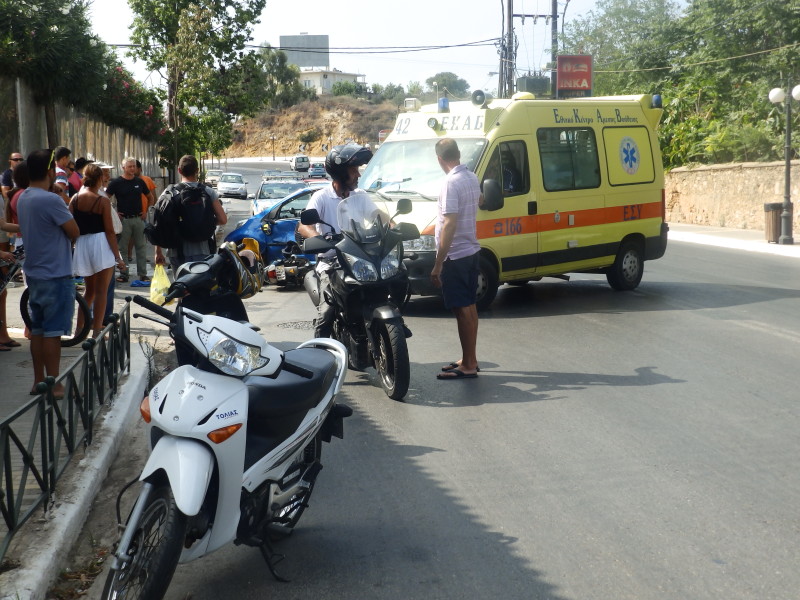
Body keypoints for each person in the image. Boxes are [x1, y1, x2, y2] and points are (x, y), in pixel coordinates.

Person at [297, 143, 385, 338]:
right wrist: (319, 238)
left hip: (360, 258)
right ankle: (319, 351)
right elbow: (303, 226)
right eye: (354, 171)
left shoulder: (360, 196)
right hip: (331, 261)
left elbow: (378, 216)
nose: (358, 175)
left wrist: (394, 227)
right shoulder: (321, 197)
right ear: (340, 172)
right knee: (327, 311)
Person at [16, 149, 80, 398]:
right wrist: (62, 197)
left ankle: (38, 381)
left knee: (38, 330)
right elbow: (74, 231)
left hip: (35, 273)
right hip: (55, 273)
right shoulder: (51, 200)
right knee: (53, 333)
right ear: (49, 171)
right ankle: (55, 384)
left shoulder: (24, 197)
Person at [431, 138, 481, 380]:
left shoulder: (451, 183)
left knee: (462, 310)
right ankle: (469, 358)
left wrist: (438, 263)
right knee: (469, 307)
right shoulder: (471, 177)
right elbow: (478, 203)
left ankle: (469, 365)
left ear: (440, 159)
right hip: (470, 251)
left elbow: (449, 222)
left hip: (456, 255)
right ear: (458, 154)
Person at [70, 163, 126, 337]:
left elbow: (71, 224)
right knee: (102, 292)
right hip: (100, 244)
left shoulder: (75, 199)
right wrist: (118, 257)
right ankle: (96, 331)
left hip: (83, 244)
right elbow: (109, 231)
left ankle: (79, 330)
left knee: (89, 291)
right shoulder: (102, 200)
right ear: (100, 178)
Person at [154, 154, 226, 272]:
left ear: (179, 170)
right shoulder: (208, 192)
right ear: (197, 170)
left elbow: (159, 223)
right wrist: (206, 222)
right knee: (200, 286)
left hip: (177, 251)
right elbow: (223, 219)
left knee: (181, 287)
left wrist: (158, 251)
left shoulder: (169, 193)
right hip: (203, 250)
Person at [106, 157, 150, 282]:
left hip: (138, 219)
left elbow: (150, 197)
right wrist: (114, 212)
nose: (132, 168)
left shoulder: (139, 182)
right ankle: (124, 274)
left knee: (141, 247)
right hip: (123, 220)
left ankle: (143, 274)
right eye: (129, 166)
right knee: (122, 248)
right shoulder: (116, 183)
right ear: (123, 167)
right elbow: (105, 199)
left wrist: (145, 211)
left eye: (134, 166)